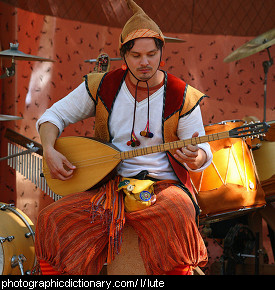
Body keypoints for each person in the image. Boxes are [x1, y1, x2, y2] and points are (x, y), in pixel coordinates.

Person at [35, 0, 212, 275]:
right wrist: (49, 148)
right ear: (124, 55)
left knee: (180, 215)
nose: (145, 62)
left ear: (161, 53)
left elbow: (202, 152)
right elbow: (51, 117)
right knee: (53, 219)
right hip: (108, 188)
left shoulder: (182, 95)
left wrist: (196, 156)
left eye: (152, 54)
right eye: (137, 56)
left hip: (162, 189)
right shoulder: (103, 85)